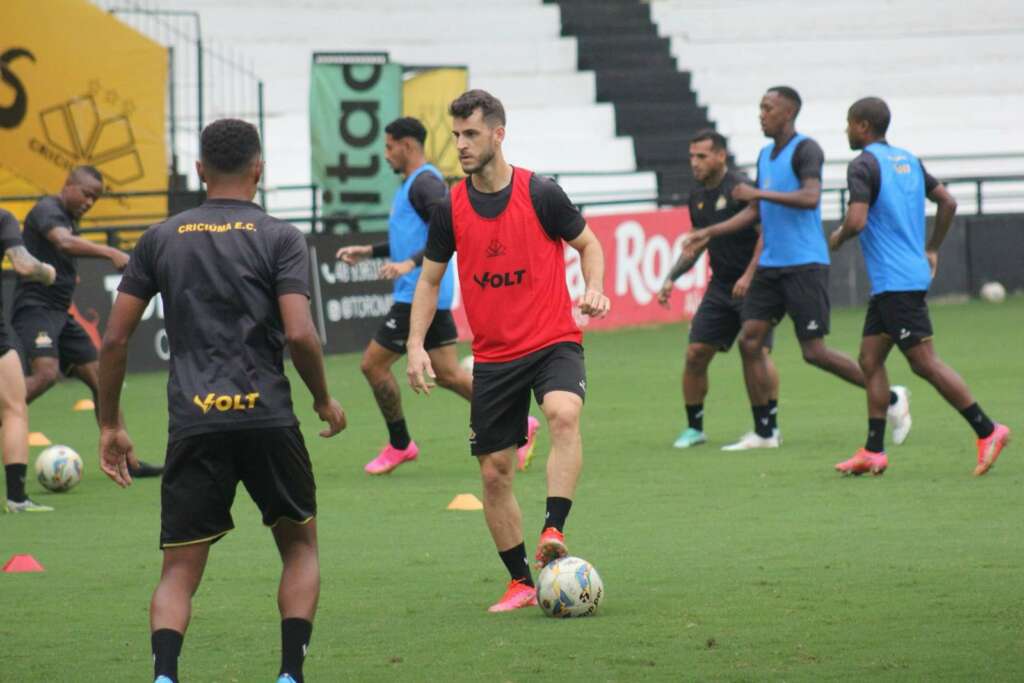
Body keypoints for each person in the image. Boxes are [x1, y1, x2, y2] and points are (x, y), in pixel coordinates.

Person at [97, 119, 346, 683]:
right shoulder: (282, 237)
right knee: (300, 548)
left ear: (200, 172)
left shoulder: (160, 238)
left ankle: (164, 676)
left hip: (193, 421)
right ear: (259, 169)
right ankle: (288, 675)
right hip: (268, 418)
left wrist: (110, 423)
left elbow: (113, 339)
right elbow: (302, 334)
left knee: (179, 571)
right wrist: (324, 399)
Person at [407, 89, 610, 613]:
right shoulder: (450, 207)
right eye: (455, 136)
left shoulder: (541, 193)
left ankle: (553, 528)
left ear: (499, 133)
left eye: (471, 134)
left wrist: (594, 288)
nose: (461, 145)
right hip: (495, 357)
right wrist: (415, 345)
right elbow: (428, 282)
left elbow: (589, 244)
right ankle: (521, 581)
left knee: (563, 414)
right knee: (494, 471)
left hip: (552, 341)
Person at [684, 86, 911, 450]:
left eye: (768, 108)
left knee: (814, 352)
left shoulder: (807, 149)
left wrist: (758, 194)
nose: (761, 114)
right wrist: (709, 231)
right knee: (750, 341)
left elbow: (809, 198)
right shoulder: (763, 154)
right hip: (771, 265)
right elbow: (754, 211)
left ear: (787, 114)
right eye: (760, 107)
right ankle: (765, 432)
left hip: (805, 263)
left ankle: (893, 398)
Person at [336, 117, 540, 475]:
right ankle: (520, 422)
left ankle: (400, 444)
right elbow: (411, 238)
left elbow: (448, 230)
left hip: (419, 293)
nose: (385, 155)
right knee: (447, 373)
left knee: (373, 364)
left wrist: (409, 266)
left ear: (407, 146)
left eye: (389, 147)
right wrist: (369, 251)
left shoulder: (425, 185)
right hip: (422, 292)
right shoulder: (412, 186)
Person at [829, 97, 1010, 476]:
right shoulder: (908, 160)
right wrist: (931, 248)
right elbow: (947, 201)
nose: (846, 130)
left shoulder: (862, 164)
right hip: (898, 279)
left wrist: (837, 237)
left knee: (924, 363)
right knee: (870, 359)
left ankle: (988, 430)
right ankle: (874, 451)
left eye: (848, 123)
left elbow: (858, 220)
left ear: (862, 126)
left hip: (896, 282)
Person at [12, 166, 163, 477]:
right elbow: (64, 243)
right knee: (45, 375)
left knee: (103, 378)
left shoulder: (66, 215)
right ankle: (8, 415)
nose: (89, 202)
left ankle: (127, 462)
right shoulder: (47, 210)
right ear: (68, 185)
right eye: (86, 193)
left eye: (95, 198)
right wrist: (110, 252)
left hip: (60, 313)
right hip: (35, 307)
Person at [657, 129, 781, 449]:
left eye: (702, 156)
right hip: (722, 284)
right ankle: (694, 428)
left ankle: (769, 426)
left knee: (757, 351)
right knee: (696, 353)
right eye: (691, 157)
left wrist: (750, 276)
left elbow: (768, 233)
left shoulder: (742, 188)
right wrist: (672, 277)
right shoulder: (696, 196)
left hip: (756, 284)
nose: (694, 163)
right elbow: (699, 242)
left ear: (721, 156)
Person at [1, 208, 57, 512]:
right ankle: (17, 498)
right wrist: (47, 272)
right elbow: (23, 264)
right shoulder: (2, 218)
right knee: (13, 408)